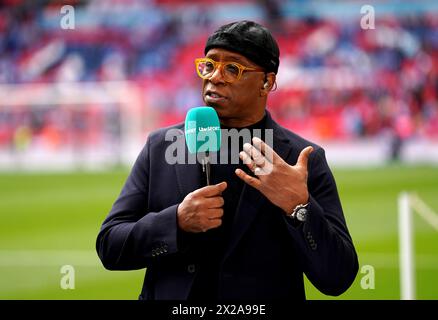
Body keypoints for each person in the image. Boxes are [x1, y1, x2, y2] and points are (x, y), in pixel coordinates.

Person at [96, 20, 359, 300]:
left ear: (267, 82)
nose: (215, 77)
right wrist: (176, 222)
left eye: (232, 69)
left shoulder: (301, 159)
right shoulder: (161, 147)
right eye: (209, 65)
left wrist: (298, 206)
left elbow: (338, 277)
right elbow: (110, 245)